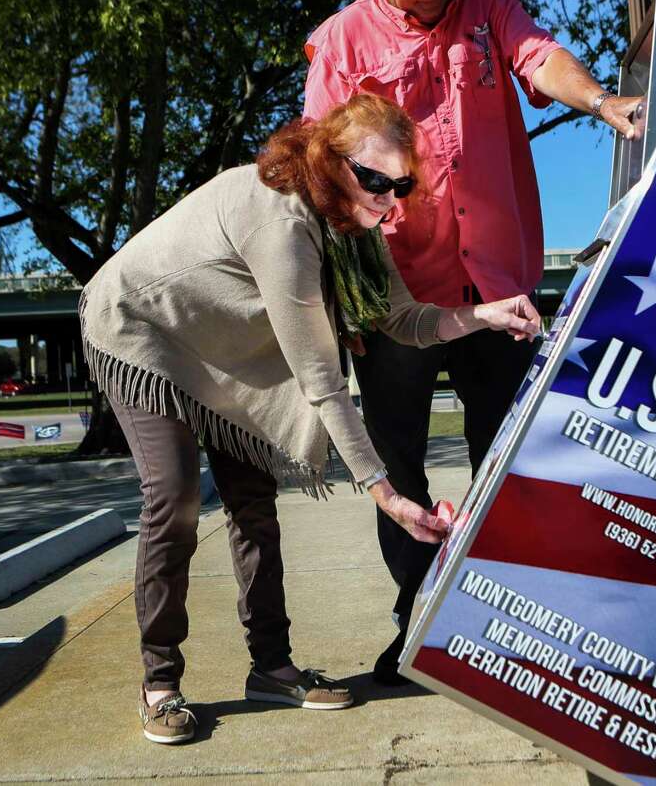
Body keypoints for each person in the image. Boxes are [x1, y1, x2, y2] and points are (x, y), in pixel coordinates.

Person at [79, 94, 540, 745]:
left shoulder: (355, 228)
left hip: (222, 350)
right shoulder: (284, 218)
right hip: (141, 330)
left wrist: (483, 316)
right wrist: (387, 494)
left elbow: (403, 320)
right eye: (373, 180)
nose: (386, 199)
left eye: (399, 185)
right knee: (176, 498)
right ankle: (160, 683)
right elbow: (321, 378)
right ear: (327, 159)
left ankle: (272, 668)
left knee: (252, 502)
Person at [303, 0, 643, 685]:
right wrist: (344, 302)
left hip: (495, 281)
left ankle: (511, 621)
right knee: (402, 467)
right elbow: (322, 173)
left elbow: (538, 57)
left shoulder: (486, 4)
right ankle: (419, 625)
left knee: (509, 458)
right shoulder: (343, 41)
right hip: (397, 299)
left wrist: (601, 102)